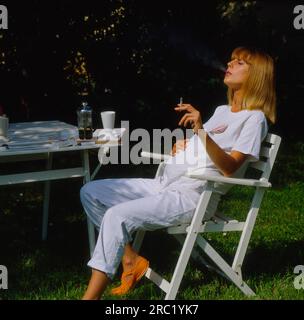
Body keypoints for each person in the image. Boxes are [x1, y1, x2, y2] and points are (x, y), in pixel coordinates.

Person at [80, 46, 276, 300]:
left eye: (239, 62)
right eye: (231, 59)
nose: (230, 63)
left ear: (256, 75)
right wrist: (185, 147)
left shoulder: (254, 119)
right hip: (163, 184)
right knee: (91, 192)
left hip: (194, 197)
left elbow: (229, 169)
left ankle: (90, 297)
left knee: (117, 216)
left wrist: (200, 131)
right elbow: (207, 147)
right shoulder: (222, 111)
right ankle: (130, 261)